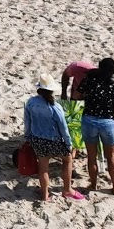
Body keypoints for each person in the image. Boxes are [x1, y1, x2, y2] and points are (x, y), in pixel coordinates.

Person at [23, 73, 81, 202]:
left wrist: (27, 138)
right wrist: (68, 143)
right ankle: (67, 190)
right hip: (55, 141)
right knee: (67, 160)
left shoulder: (31, 102)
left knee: (43, 167)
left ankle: (44, 195)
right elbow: (63, 128)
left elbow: (27, 123)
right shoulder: (55, 107)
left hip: (38, 139)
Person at [79, 58, 114, 194]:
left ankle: (93, 184)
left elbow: (77, 95)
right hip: (107, 122)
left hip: (89, 120)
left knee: (91, 156)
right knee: (111, 156)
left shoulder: (89, 81)